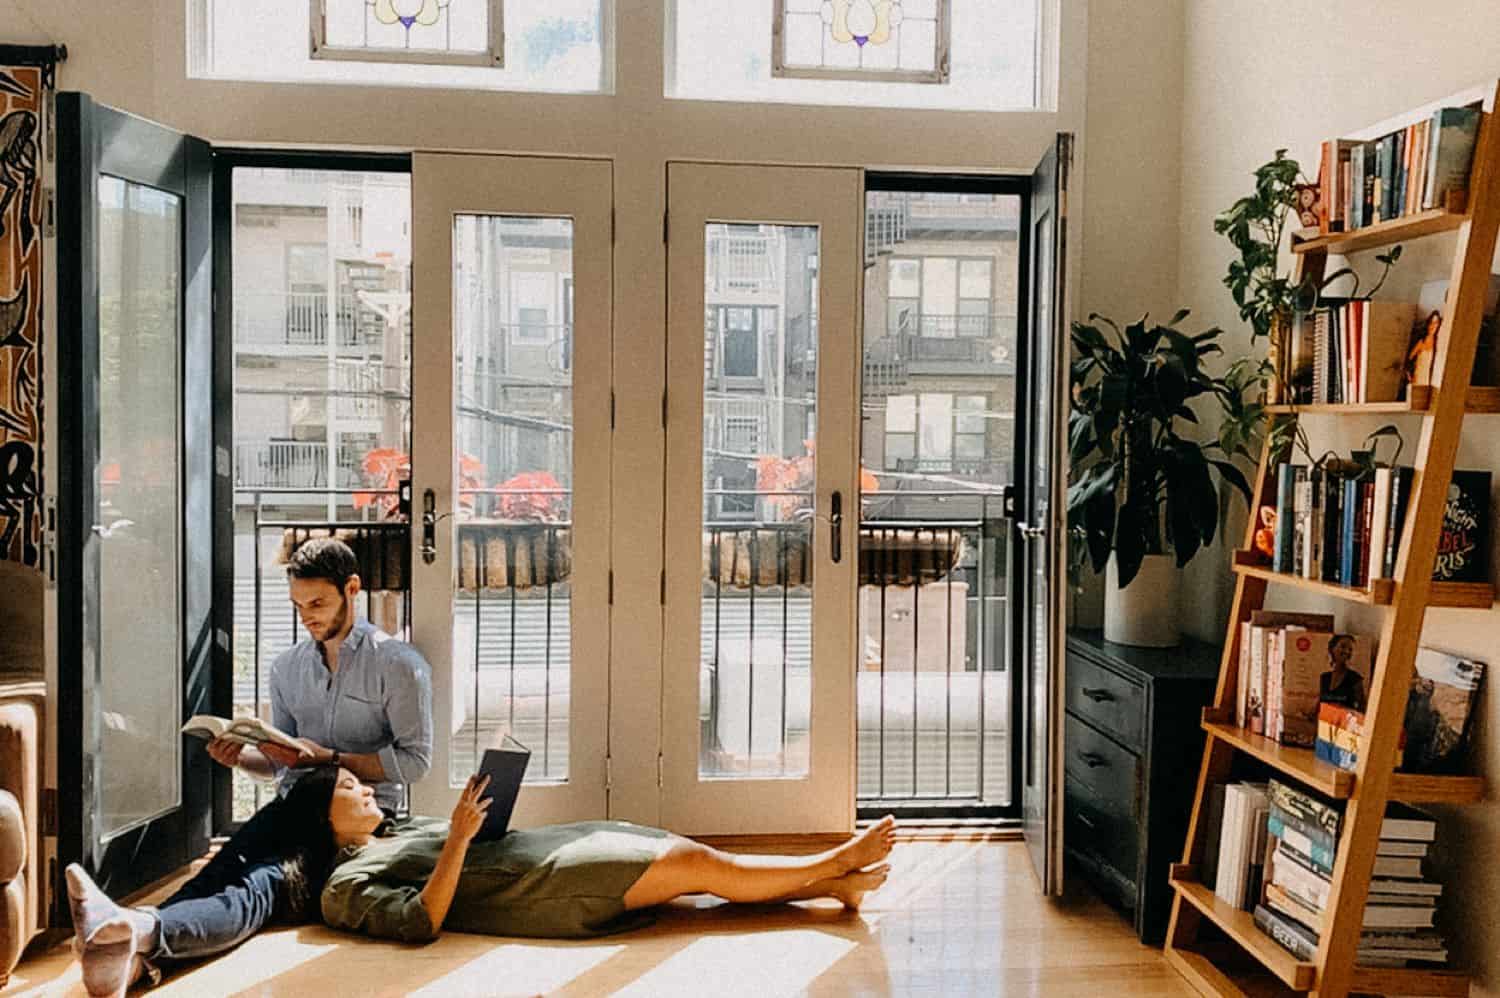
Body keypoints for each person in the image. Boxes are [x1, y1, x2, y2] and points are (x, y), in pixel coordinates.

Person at [65, 767, 896, 995]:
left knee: (687, 862)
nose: (368, 792)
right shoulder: (342, 886)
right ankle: (833, 865)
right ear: (326, 821)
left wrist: (474, 819)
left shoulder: (391, 830)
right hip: (547, 888)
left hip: (546, 848)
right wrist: (460, 840)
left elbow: (458, 848)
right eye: (351, 792)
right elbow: (424, 921)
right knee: (697, 867)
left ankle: (835, 889)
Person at [67, 538, 434, 992]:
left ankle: (138, 932)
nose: (308, 616)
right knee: (222, 869)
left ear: (352, 588)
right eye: (299, 606)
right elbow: (283, 766)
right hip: (296, 805)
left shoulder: (398, 665)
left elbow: (415, 762)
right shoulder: (287, 669)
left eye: (318, 602)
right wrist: (242, 757)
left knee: (258, 886)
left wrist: (329, 757)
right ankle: (134, 947)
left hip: (356, 817)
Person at [1318, 633, 1367, 710]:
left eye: (1350, 649)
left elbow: (1362, 708)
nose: (1347, 651)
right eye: (1343, 646)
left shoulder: (1355, 678)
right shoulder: (1324, 677)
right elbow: (1320, 705)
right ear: (1332, 648)